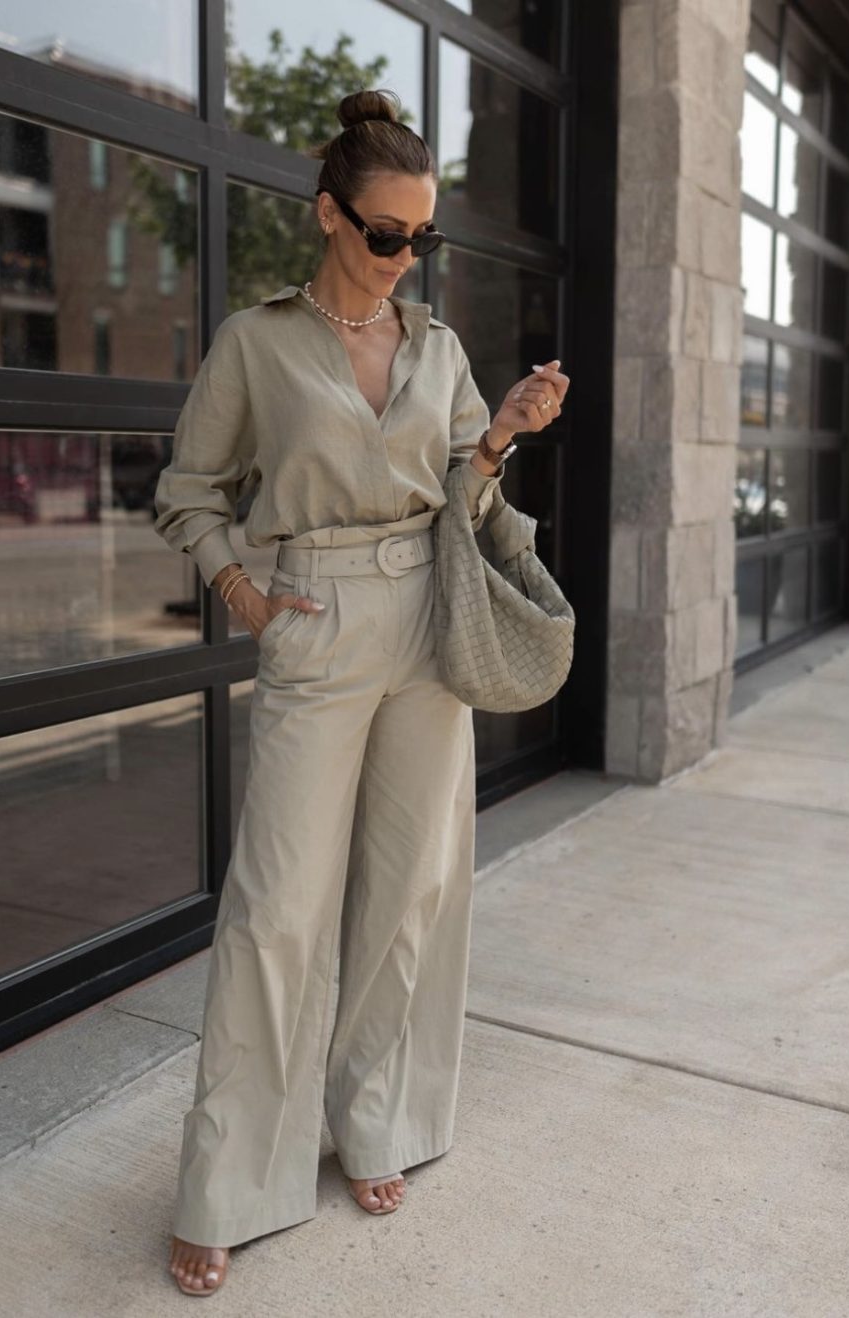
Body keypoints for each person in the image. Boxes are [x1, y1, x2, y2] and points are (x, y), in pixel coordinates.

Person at [153, 87, 569, 1297]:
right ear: (329, 215)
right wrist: (244, 592)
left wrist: (502, 436)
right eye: (385, 234)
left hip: (427, 630)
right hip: (317, 625)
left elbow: (468, 499)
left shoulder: (438, 348)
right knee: (276, 909)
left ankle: (376, 1121)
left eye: (421, 238)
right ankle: (229, 1182)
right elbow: (190, 488)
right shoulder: (256, 343)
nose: (403, 259)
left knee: (409, 894)